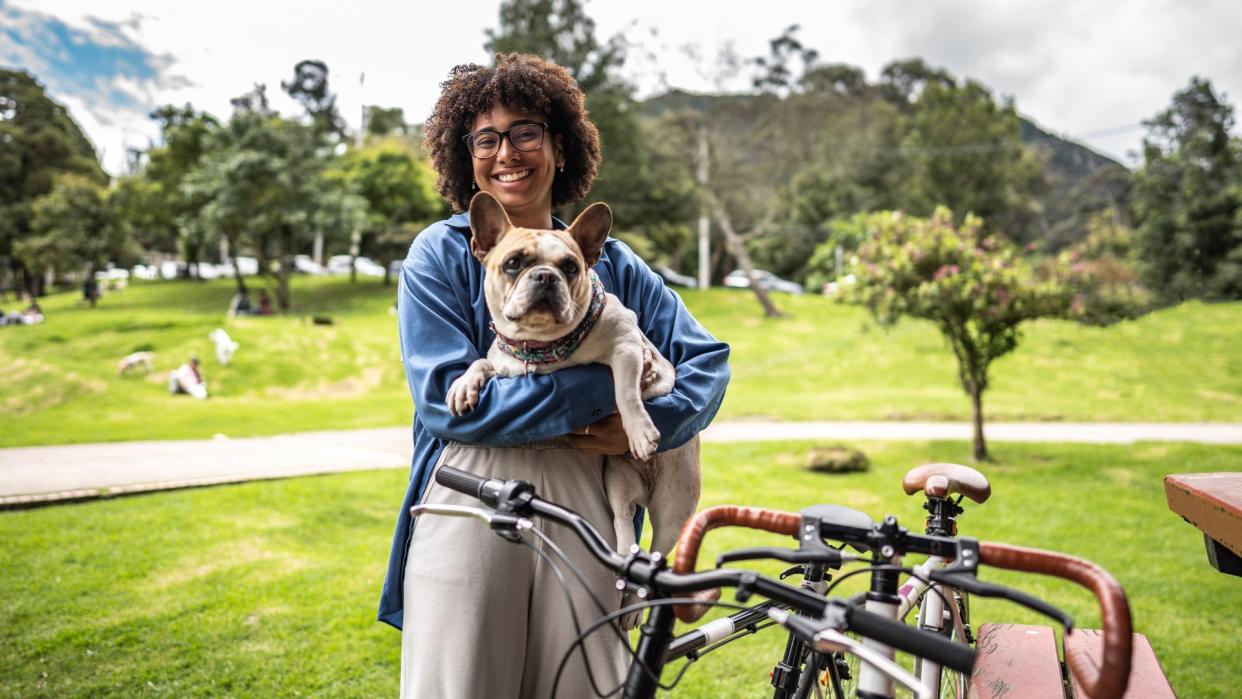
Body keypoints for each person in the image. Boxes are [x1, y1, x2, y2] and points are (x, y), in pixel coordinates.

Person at [381, 53, 731, 698]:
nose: (506, 152)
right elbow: (447, 404)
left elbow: (707, 362)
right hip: (471, 490)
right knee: (461, 679)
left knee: (583, 684)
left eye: (525, 132)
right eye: (485, 138)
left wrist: (646, 425)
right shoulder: (440, 251)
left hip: (591, 500)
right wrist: (616, 397)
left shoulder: (615, 264)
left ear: (560, 147)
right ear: (468, 155)